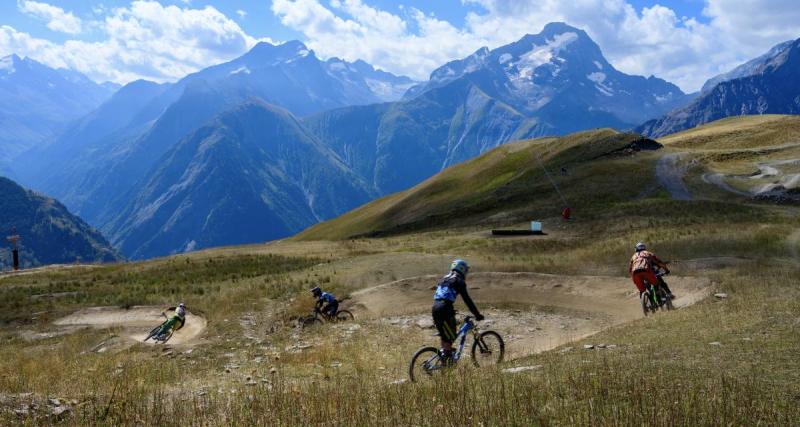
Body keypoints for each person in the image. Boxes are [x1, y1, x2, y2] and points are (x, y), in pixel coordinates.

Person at [432, 259, 484, 363]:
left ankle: (445, 359)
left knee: (445, 335)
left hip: (435, 307)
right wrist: (477, 314)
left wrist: (450, 308)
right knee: (451, 336)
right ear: (462, 269)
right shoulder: (459, 280)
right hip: (445, 308)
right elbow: (467, 300)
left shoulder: (445, 278)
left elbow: (442, 295)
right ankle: (446, 362)